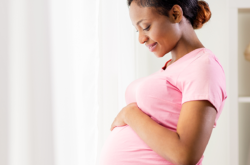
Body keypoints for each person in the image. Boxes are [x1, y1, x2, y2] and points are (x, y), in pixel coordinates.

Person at [99, 0, 228, 165]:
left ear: (175, 14)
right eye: (136, 30)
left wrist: (130, 114)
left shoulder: (203, 65)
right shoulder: (174, 67)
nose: (140, 38)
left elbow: (185, 154)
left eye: (146, 27)